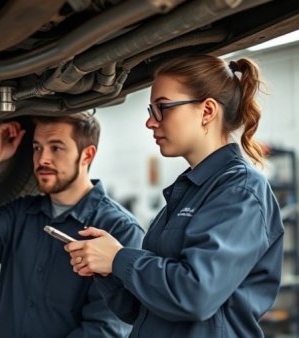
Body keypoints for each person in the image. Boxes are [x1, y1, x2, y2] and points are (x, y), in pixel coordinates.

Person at [66, 55, 284, 337]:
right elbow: (140, 309)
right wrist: (108, 270)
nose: (150, 122)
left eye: (162, 108)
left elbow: (196, 295)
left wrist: (119, 258)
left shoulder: (240, 190)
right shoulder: (188, 192)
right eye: (150, 109)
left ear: (207, 111)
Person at [0, 112, 145, 337]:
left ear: (87, 155)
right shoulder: (20, 214)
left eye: (56, 148)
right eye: (37, 148)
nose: (42, 159)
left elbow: (105, 328)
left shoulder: (119, 229)